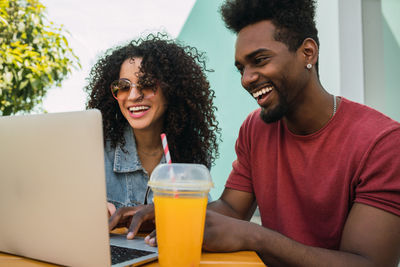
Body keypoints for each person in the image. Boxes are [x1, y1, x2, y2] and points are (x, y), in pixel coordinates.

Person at [199, 0, 400, 266]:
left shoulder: (383, 143)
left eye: (259, 60)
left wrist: (257, 237)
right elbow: (232, 209)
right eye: (241, 68)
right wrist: (168, 217)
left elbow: (367, 263)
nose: (246, 78)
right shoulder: (255, 128)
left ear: (307, 53)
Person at [85, 33, 219, 238]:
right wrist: (86, 210)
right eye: (123, 87)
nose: (133, 96)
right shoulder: (94, 151)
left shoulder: (188, 153)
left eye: (147, 84)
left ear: (171, 90)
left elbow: (206, 220)